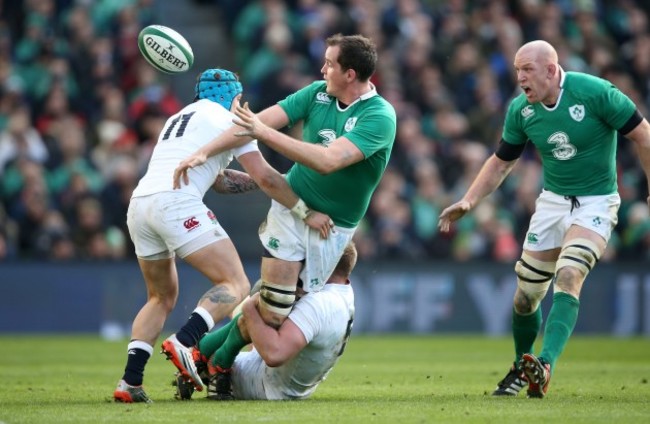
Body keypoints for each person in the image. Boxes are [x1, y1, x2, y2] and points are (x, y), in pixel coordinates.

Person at [172, 34, 396, 391]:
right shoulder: (316, 93)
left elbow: (327, 161)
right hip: (292, 207)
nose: (322, 69)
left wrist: (262, 132)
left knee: (281, 309)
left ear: (350, 74)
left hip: (333, 228)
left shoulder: (379, 116)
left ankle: (204, 350)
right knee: (275, 310)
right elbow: (254, 122)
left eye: (330, 64)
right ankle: (216, 361)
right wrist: (206, 153)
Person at [438, 40, 650, 398]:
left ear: (551, 70)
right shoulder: (521, 110)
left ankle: (546, 364)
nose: (519, 77)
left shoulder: (596, 93)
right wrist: (469, 200)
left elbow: (643, 135)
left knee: (569, 274)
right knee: (525, 298)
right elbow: (501, 161)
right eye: (517, 70)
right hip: (552, 203)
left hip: (596, 202)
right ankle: (525, 365)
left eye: (527, 70)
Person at [113, 68, 332, 404]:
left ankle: (130, 382)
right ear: (234, 96)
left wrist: (265, 182)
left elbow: (219, 179)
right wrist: (306, 211)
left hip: (141, 206)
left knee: (159, 297)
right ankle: (186, 341)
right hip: (176, 204)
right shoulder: (235, 122)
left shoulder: (179, 117)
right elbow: (266, 178)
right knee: (235, 284)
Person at [175, 241, 358, 401]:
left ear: (327, 262)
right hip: (293, 384)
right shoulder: (343, 293)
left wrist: (249, 308)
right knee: (272, 303)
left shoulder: (317, 304)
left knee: (266, 302)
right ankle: (204, 351)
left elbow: (274, 354)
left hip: (264, 384)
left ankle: (212, 358)